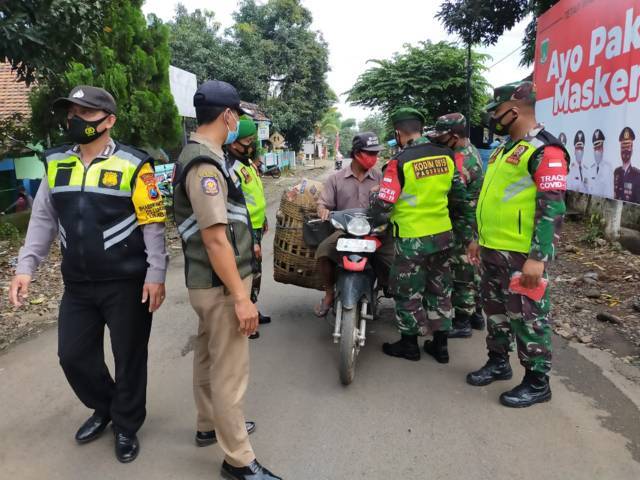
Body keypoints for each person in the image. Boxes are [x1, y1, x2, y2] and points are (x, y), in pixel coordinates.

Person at [9, 85, 168, 462]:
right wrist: (25, 267)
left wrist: (156, 272)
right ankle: (107, 406)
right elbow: (44, 219)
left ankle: (126, 424)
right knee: (72, 355)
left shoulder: (134, 164)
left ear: (108, 120)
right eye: (71, 113)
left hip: (126, 282)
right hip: (78, 284)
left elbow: (152, 223)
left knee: (129, 356)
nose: (75, 121)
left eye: (84, 114)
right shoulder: (57, 163)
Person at [172, 80, 280, 480]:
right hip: (218, 284)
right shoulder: (205, 164)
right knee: (230, 371)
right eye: (238, 116)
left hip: (207, 283)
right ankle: (238, 459)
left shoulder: (201, 154)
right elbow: (215, 238)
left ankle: (207, 426)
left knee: (207, 356)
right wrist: (241, 297)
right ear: (228, 116)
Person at [466, 81, 569, 408]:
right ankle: (498, 362)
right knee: (495, 311)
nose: (493, 118)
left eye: (496, 112)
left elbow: (551, 208)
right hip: (492, 249)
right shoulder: (503, 149)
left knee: (527, 316)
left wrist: (538, 258)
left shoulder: (546, 151)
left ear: (514, 110)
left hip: (522, 255)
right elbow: (489, 199)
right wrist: (476, 239)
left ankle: (538, 382)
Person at [374, 107, 474, 363]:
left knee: (407, 292)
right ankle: (440, 347)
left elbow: (384, 204)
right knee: (440, 290)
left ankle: (409, 345)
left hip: (411, 240)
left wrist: (373, 217)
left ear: (399, 132)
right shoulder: (447, 156)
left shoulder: (400, 161)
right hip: (442, 237)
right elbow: (461, 199)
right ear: (420, 128)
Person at [314, 132, 394, 317]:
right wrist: (323, 211)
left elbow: (392, 202)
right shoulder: (336, 178)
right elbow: (323, 204)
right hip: (345, 232)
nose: (374, 158)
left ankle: (390, 290)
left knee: (396, 261)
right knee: (323, 251)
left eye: (376, 154)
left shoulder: (381, 178)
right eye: (370, 153)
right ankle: (328, 294)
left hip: (376, 233)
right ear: (357, 153)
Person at [427, 113, 485, 338]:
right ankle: (476, 314)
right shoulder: (467, 151)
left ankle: (463, 322)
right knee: (471, 269)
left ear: (453, 136)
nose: (439, 142)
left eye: (442, 137)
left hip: (462, 224)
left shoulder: (461, 160)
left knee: (462, 271)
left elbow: (455, 197)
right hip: (467, 221)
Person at [227, 115, 271, 332]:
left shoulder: (248, 165)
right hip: (243, 230)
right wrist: (251, 240)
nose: (251, 146)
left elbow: (255, 195)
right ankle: (244, 321)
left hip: (255, 226)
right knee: (246, 273)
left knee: (256, 273)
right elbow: (235, 206)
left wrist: (263, 219)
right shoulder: (230, 168)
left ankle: (252, 308)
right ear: (234, 142)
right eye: (248, 142)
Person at [613, 126, 640, 203]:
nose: (625, 150)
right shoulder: (616, 172)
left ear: (632, 149)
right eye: (623, 146)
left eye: (628, 146)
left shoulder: (637, 175)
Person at [587, 129, 614, 198]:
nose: (597, 151)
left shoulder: (608, 168)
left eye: (599, 148)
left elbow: (609, 192)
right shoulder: (591, 169)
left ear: (603, 148)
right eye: (595, 148)